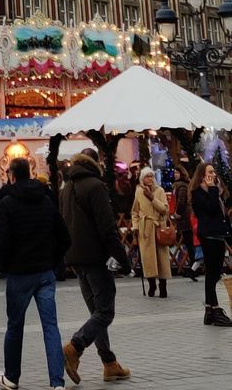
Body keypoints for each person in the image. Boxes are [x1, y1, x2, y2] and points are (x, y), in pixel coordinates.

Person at [0, 157, 70, 390]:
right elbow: (64, 237)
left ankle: (12, 377)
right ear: (30, 173)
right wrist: (53, 261)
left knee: (15, 325)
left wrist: (3, 266)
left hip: (19, 273)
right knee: (51, 327)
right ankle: (57, 383)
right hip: (45, 271)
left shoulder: (7, 203)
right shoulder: (46, 200)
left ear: (11, 176)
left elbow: (2, 241)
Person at [60, 149, 131, 384]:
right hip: (95, 257)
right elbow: (107, 227)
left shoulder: (66, 188)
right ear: (96, 163)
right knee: (105, 312)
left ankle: (109, 363)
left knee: (96, 313)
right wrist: (123, 258)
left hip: (75, 258)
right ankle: (74, 347)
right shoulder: (95, 186)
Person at [188, 161, 232, 327]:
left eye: (214, 172)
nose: (214, 175)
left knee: (214, 274)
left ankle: (210, 310)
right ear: (202, 175)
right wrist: (213, 189)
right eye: (210, 172)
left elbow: (222, 215)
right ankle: (214, 308)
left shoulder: (216, 192)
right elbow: (211, 209)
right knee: (212, 274)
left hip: (218, 236)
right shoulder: (198, 193)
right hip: (209, 237)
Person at [131, 167, 171, 298]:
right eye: (147, 176)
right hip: (145, 229)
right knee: (148, 258)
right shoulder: (138, 192)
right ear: (142, 178)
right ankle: (151, 284)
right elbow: (135, 212)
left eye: (151, 176)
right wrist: (135, 226)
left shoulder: (160, 191)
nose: (150, 179)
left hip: (158, 227)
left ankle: (163, 285)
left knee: (161, 258)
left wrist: (152, 198)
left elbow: (165, 209)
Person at [172, 165, 193, 273]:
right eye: (174, 173)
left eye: (177, 173)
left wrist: (177, 213)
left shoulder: (182, 186)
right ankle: (192, 265)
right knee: (188, 242)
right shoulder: (178, 185)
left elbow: (182, 201)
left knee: (189, 242)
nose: (175, 175)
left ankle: (193, 266)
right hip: (184, 218)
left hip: (185, 217)